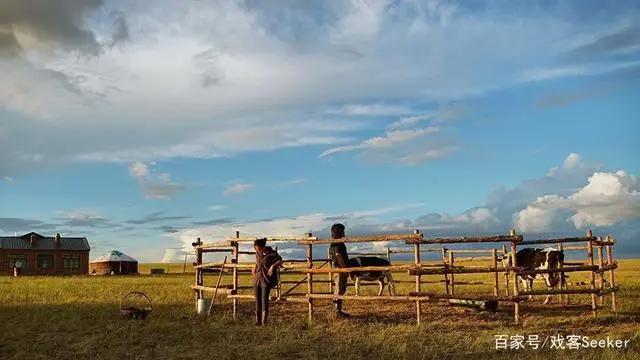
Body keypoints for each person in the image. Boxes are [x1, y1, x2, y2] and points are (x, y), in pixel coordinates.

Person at [252, 238, 282, 325]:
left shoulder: (272, 253)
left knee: (264, 300)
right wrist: (254, 266)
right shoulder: (257, 253)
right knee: (257, 300)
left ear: (263, 247)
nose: (258, 251)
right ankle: (258, 321)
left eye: (259, 249)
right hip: (257, 279)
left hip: (266, 279)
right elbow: (258, 263)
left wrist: (273, 266)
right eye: (256, 249)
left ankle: (264, 322)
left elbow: (280, 260)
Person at [328, 223, 351, 318]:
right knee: (339, 289)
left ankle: (338, 310)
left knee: (340, 289)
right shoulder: (338, 243)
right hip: (340, 268)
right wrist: (344, 268)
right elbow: (338, 255)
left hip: (338, 268)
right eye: (343, 231)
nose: (344, 232)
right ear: (339, 231)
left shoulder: (334, 242)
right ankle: (337, 311)